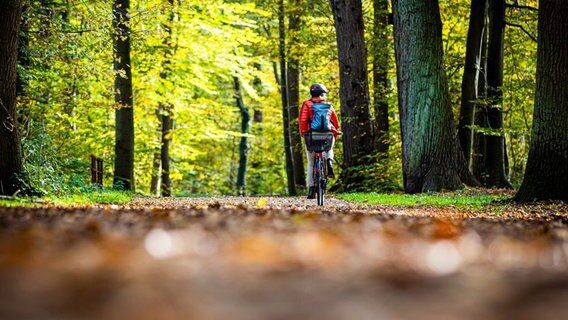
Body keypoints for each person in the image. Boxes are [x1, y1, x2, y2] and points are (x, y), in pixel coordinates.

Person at [299, 83, 340, 199]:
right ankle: (329, 161)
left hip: (312, 135)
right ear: (323, 93)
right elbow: (335, 123)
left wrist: (304, 133)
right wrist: (335, 132)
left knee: (311, 163)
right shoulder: (328, 105)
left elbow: (303, 121)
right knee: (329, 147)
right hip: (327, 135)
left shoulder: (307, 105)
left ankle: (311, 190)